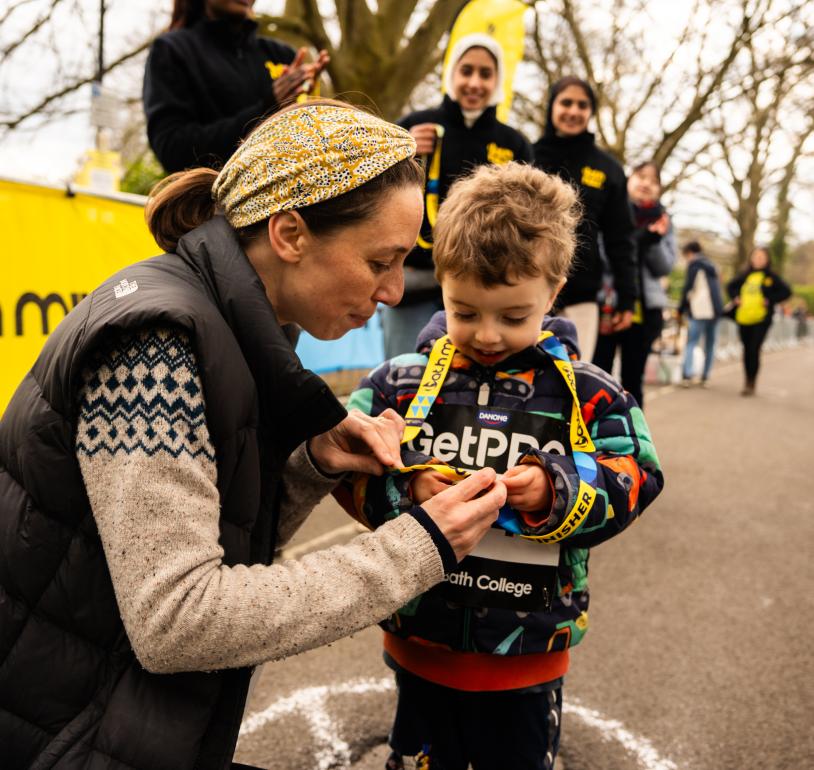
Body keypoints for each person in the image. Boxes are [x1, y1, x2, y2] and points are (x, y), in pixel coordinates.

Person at [0, 100, 510, 769]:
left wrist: (309, 467)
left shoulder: (232, 331)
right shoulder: (155, 351)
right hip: (59, 739)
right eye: (381, 260)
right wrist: (416, 549)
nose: (393, 290)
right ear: (290, 233)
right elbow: (177, 618)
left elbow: (204, 540)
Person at [336, 163, 664, 770]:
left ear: (554, 287)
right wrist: (409, 489)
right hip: (421, 637)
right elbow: (348, 470)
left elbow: (639, 475)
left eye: (514, 316)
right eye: (465, 311)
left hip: (529, 650)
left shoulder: (590, 393)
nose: (486, 335)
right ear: (441, 281)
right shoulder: (398, 384)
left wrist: (557, 489)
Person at [381, 33, 534, 359]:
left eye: (485, 73)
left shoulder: (515, 143)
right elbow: (377, 193)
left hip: (481, 286)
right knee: (404, 372)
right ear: (451, 73)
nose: (475, 82)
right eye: (467, 71)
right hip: (413, 283)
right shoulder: (415, 125)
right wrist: (402, 149)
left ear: (498, 80)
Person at [143, 0, 329, 173]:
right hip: (212, 204)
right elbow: (172, 150)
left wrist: (307, 105)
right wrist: (267, 107)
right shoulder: (172, 50)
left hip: (283, 201)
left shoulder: (280, 55)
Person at [532, 76, 637, 361]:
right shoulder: (527, 155)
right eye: (566, 102)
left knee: (573, 380)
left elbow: (621, 240)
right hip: (527, 287)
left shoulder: (609, 170)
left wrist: (627, 298)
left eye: (582, 105)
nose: (574, 111)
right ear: (552, 106)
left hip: (582, 295)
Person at [593, 161, 677, 408]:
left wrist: (653, 242)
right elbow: (604, 256)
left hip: (645, 311)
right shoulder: (610, 210)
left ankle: (632, 438)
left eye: (653, 181)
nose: (646, 184)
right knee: (599, 375)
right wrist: (640, 239)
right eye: (641, 176)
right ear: (629, 180)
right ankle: (591, 436)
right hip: (609, 304)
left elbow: (664, 267)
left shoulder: (664, 222)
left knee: (633, 380)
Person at [726, 245, 792, 396]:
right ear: (751, 258)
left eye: (762, 257)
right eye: (756, 256)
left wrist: (770, 299)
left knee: (754, 349)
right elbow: (730, 287)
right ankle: (747, 378)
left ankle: (751, 382)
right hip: (744, 318)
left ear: (767, 259)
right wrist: (736, 298)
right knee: (747, 349)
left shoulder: (770, 277)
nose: (758, 259)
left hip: (761, 319)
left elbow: (786, 292)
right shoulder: (745, 275)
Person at [678, 240, 724, 386]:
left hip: (698, 311)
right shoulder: (712, 266)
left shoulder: (694, 265)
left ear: (689, 253)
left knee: (691, 343)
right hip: (714, 311)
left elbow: (688, 289)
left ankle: (687, 375)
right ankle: (705, 376)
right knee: (710, 344)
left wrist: (681, 308)